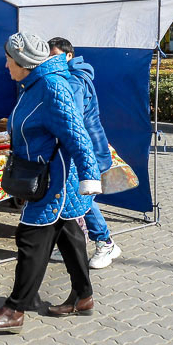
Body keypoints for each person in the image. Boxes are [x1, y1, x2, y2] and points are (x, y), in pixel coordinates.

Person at [0, 32, 102, 333]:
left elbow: (76, 134)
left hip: (52, 182)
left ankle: (15, 310)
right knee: (70, 236)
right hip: (49, 177)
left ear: (22, 61)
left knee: (30, 240)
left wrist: (90, 175)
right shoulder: (34, 84)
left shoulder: (51, 87)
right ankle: (83, 297)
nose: (5, 64)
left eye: (8, 59)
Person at [47, 37, 122, 269]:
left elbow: (72, 119)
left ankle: (105, 242)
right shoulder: (64, 78)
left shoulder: (75, 80)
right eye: (48, 55)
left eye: (55, 55)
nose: (50, 59)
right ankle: (71, 245)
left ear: (69, 56)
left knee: (83, 197)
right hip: (75, 149)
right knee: (71, 197)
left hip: (84, 150)